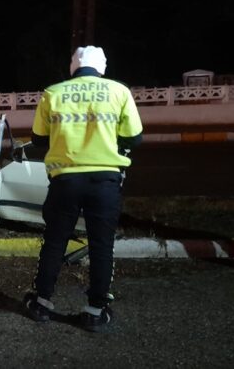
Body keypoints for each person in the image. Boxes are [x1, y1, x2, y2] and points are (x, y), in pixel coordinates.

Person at [23, 45, 143, 332]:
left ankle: (41, 303)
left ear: (73, 67)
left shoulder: (53, 93)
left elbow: (39, 139)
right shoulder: (119, 91)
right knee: (102, 245)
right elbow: (134, 138)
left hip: (65, 180)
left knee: (54, 241)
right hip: (105, 180)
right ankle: (95, 311)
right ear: (102, 68)